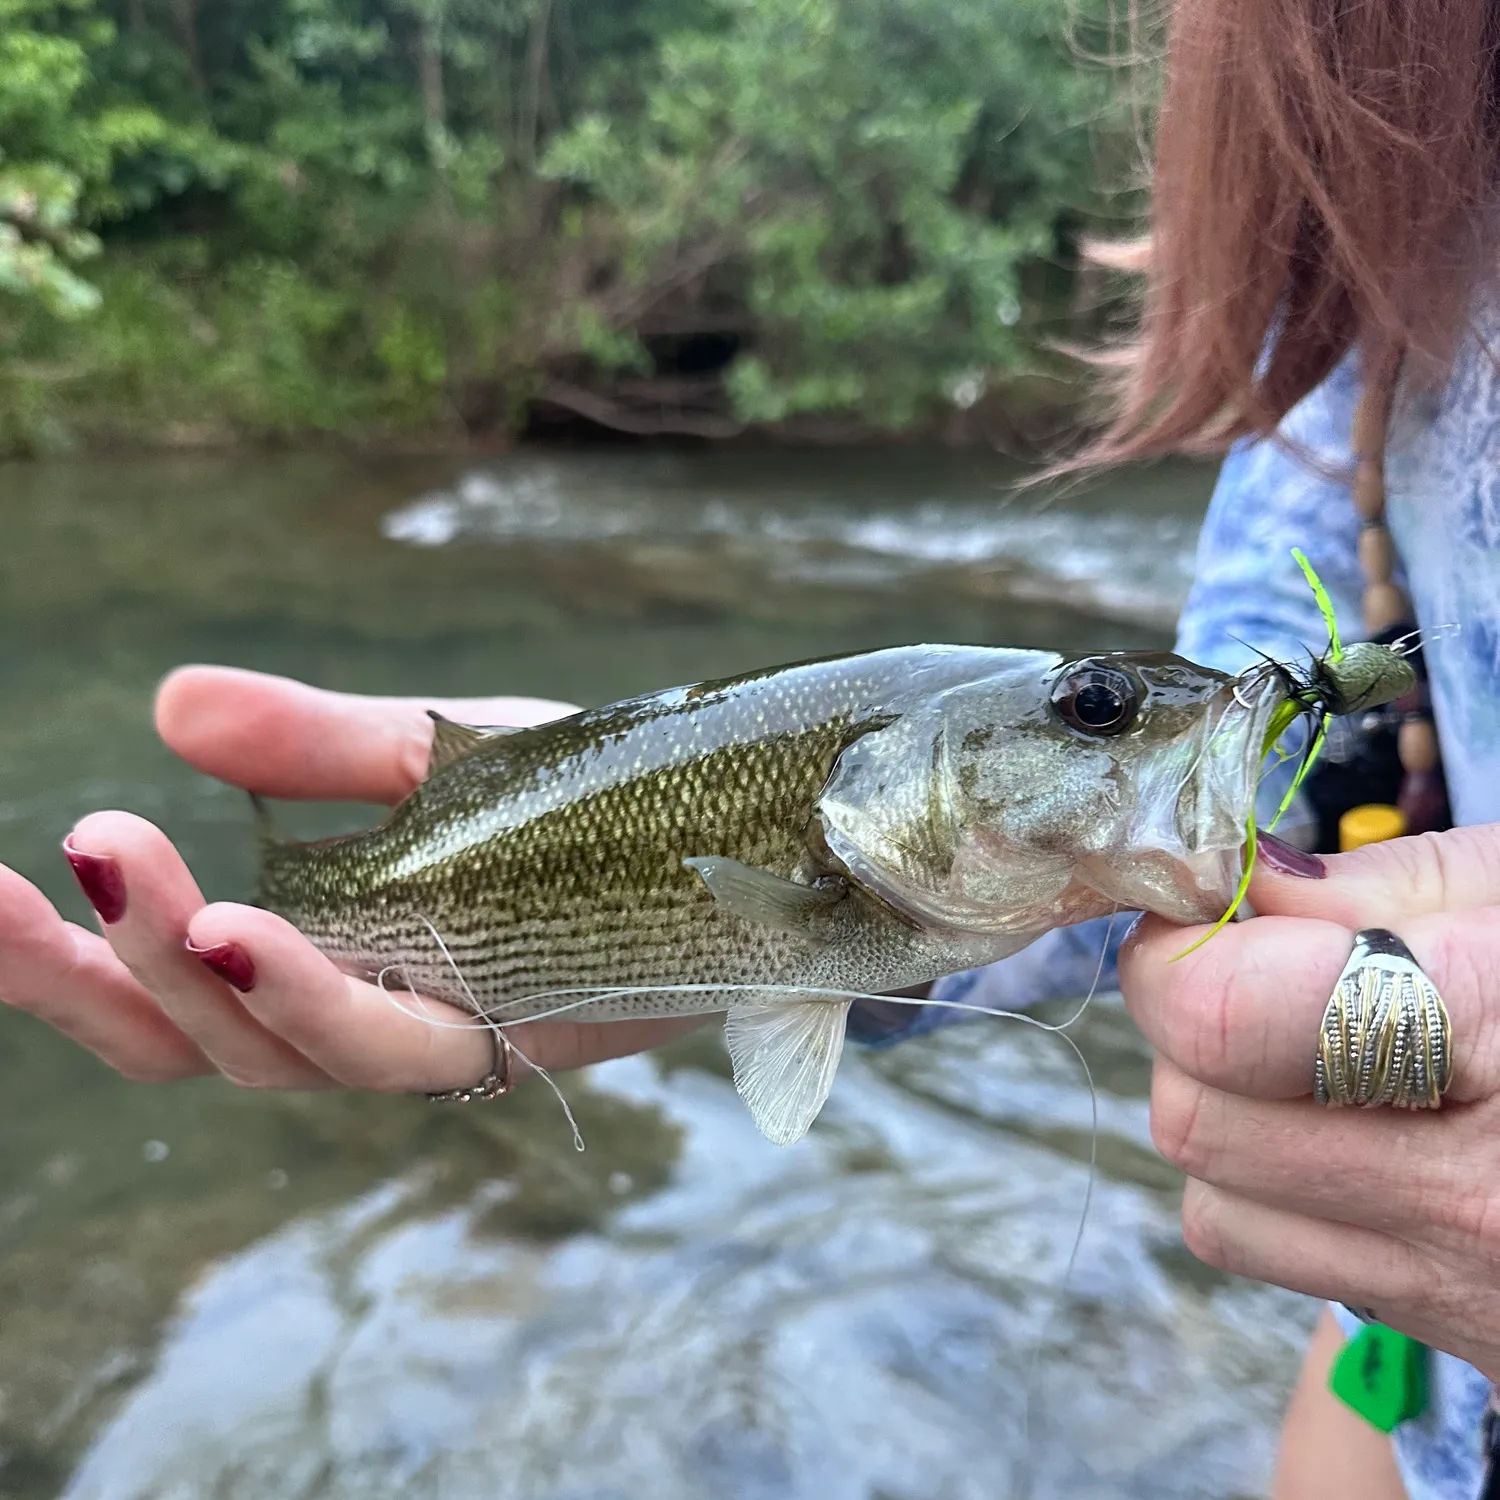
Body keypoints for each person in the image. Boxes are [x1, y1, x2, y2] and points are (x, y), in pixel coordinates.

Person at [3, 1, 1500, 1497]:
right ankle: (300, 905)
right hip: (1400, 1350)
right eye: (1096, 710)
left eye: (1092, 709)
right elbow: (1273, 738)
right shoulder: (1359, 301)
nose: (1163, 722)